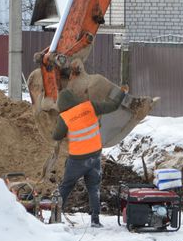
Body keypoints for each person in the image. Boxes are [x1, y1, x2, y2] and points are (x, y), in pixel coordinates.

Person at [52, 87, 127, 228]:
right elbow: (113, 106)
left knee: (66, 186)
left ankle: (55, 215)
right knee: (94, 188)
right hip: (95, 156)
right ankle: (95, 220)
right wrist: (121, 92)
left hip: (77, 160)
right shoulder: (90, 106)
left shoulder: (65, 117)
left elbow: (56, 136)